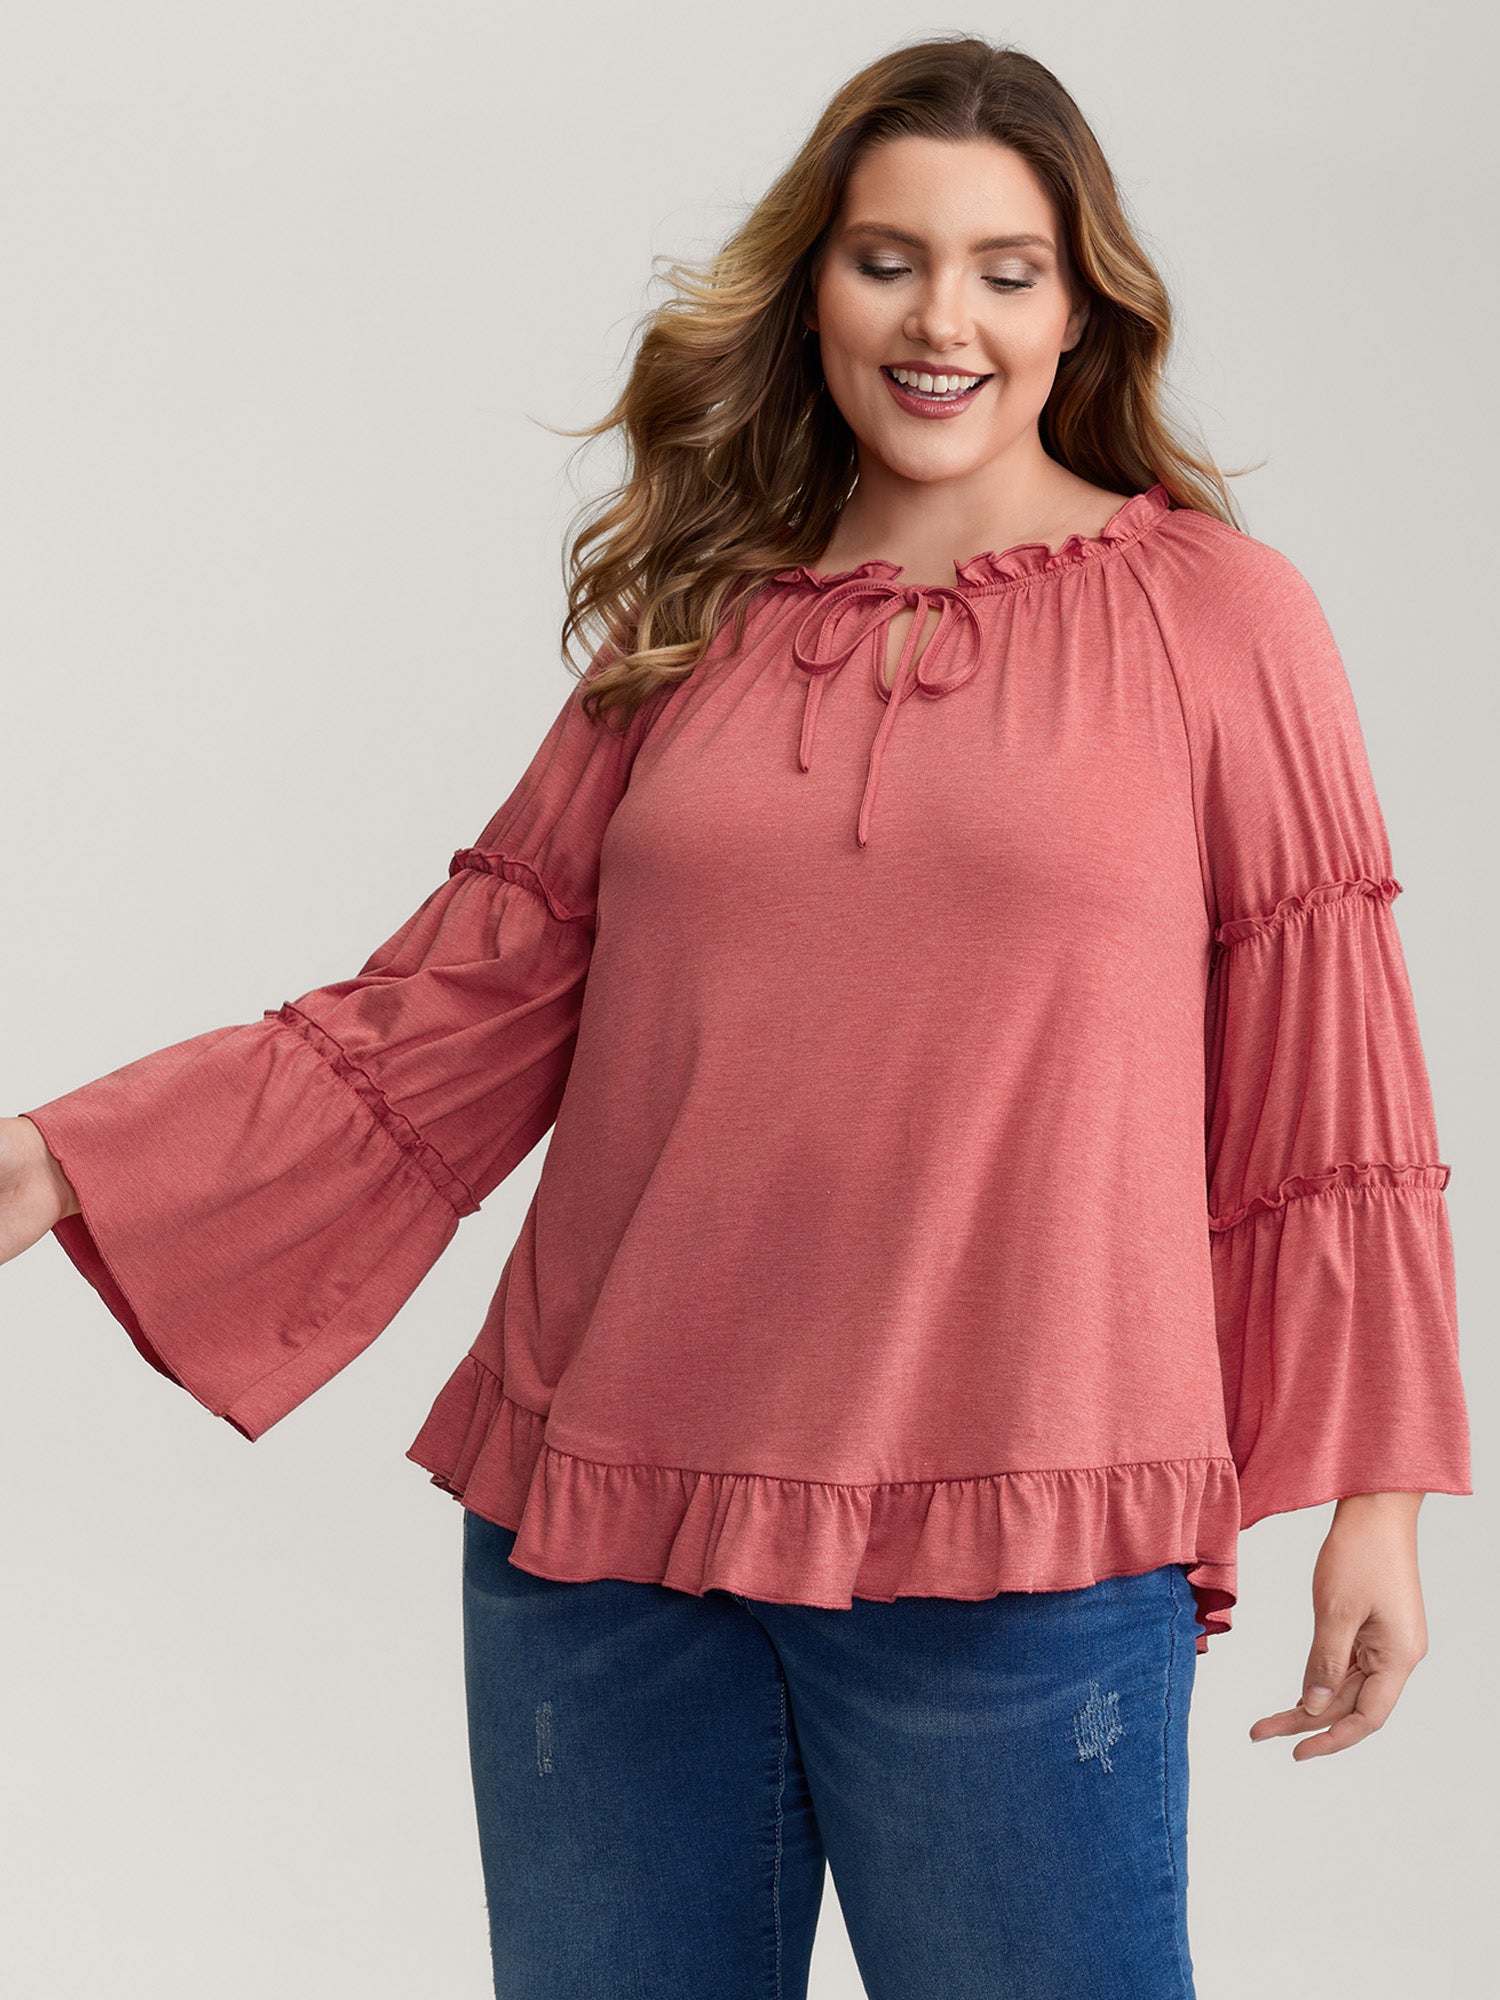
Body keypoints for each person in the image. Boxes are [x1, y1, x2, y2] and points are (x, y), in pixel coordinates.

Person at [1, 34, 1473, 2000]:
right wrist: (63, 1158)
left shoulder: (1218, 617)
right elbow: (464, 994)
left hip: (1020, 1544)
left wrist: (1380, 1504)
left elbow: (1328, 1071)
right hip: (604, 1539)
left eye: (1005, 270)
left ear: (1081, 310)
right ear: (814, 286)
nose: (942, 320)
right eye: (888, 260)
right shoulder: (698, 614)